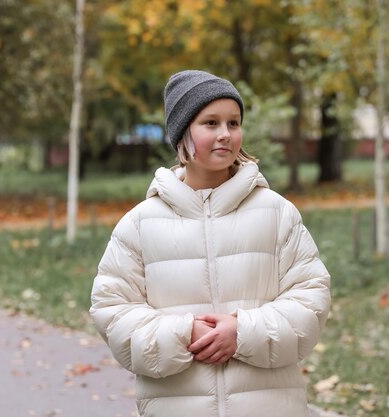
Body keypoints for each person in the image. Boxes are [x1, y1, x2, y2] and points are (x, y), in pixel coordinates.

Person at [90, 70, 331, 417]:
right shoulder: (140, 224)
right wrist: (183, 333)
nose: (225, 135)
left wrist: (243, 332)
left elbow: (311, 300)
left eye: (233, 123)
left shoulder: (277, 213)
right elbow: (112, 312)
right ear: (182, 132)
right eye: (211, 123)